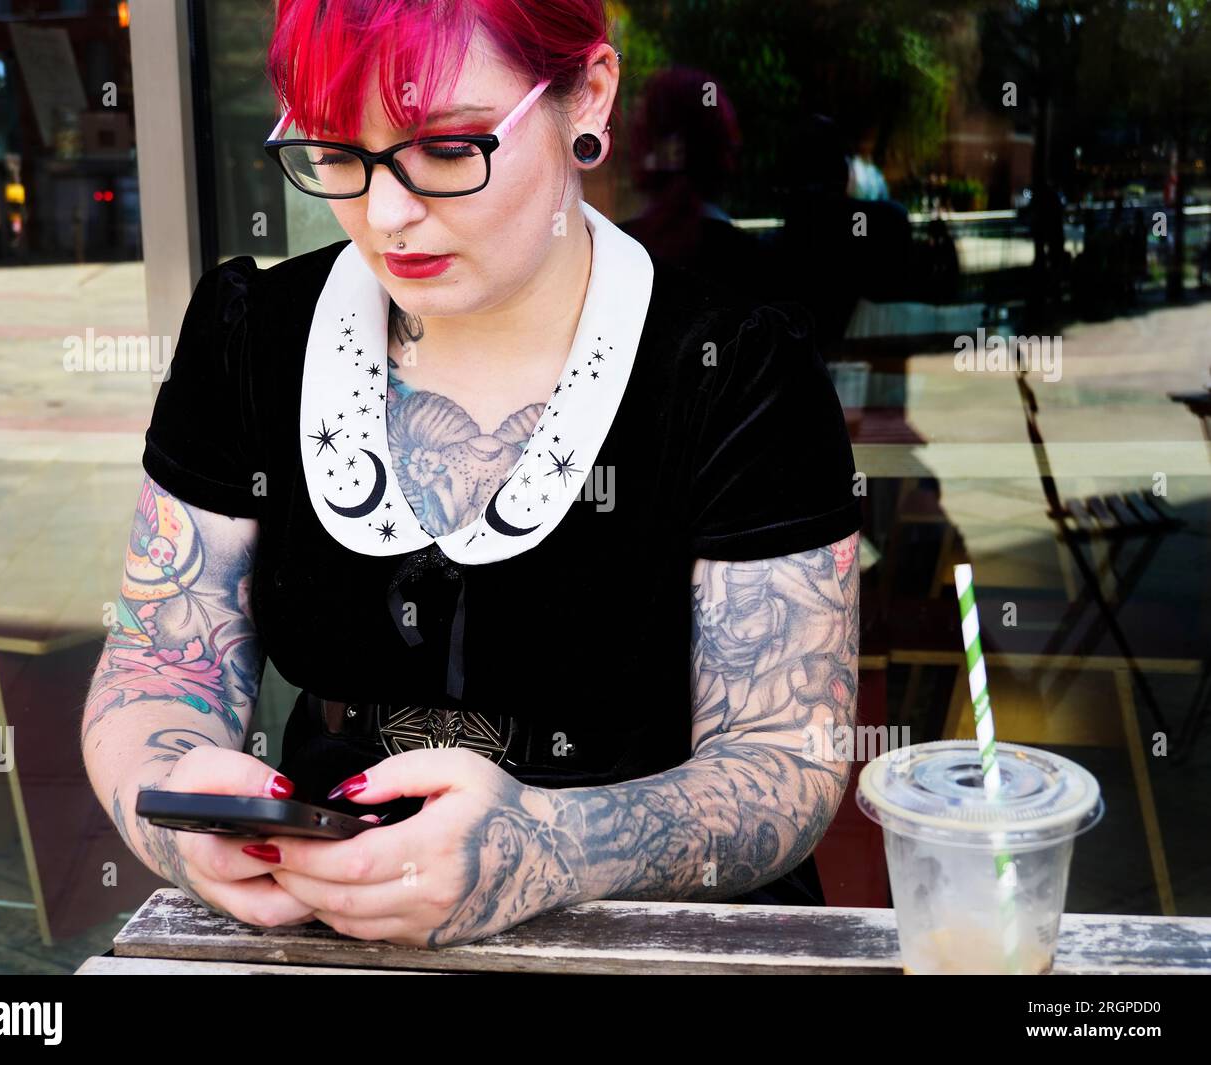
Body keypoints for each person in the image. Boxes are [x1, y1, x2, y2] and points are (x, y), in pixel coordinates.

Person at [80, 0, 861, 949]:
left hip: (651, 942)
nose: (387, 214)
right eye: (336, 152)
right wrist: (180, 811)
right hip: (325, 926)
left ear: (590, 98)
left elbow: (785, 760)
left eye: (448, 148)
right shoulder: (253, 337)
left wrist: (551, 845)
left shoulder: (730, 368)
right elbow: (158, 663)